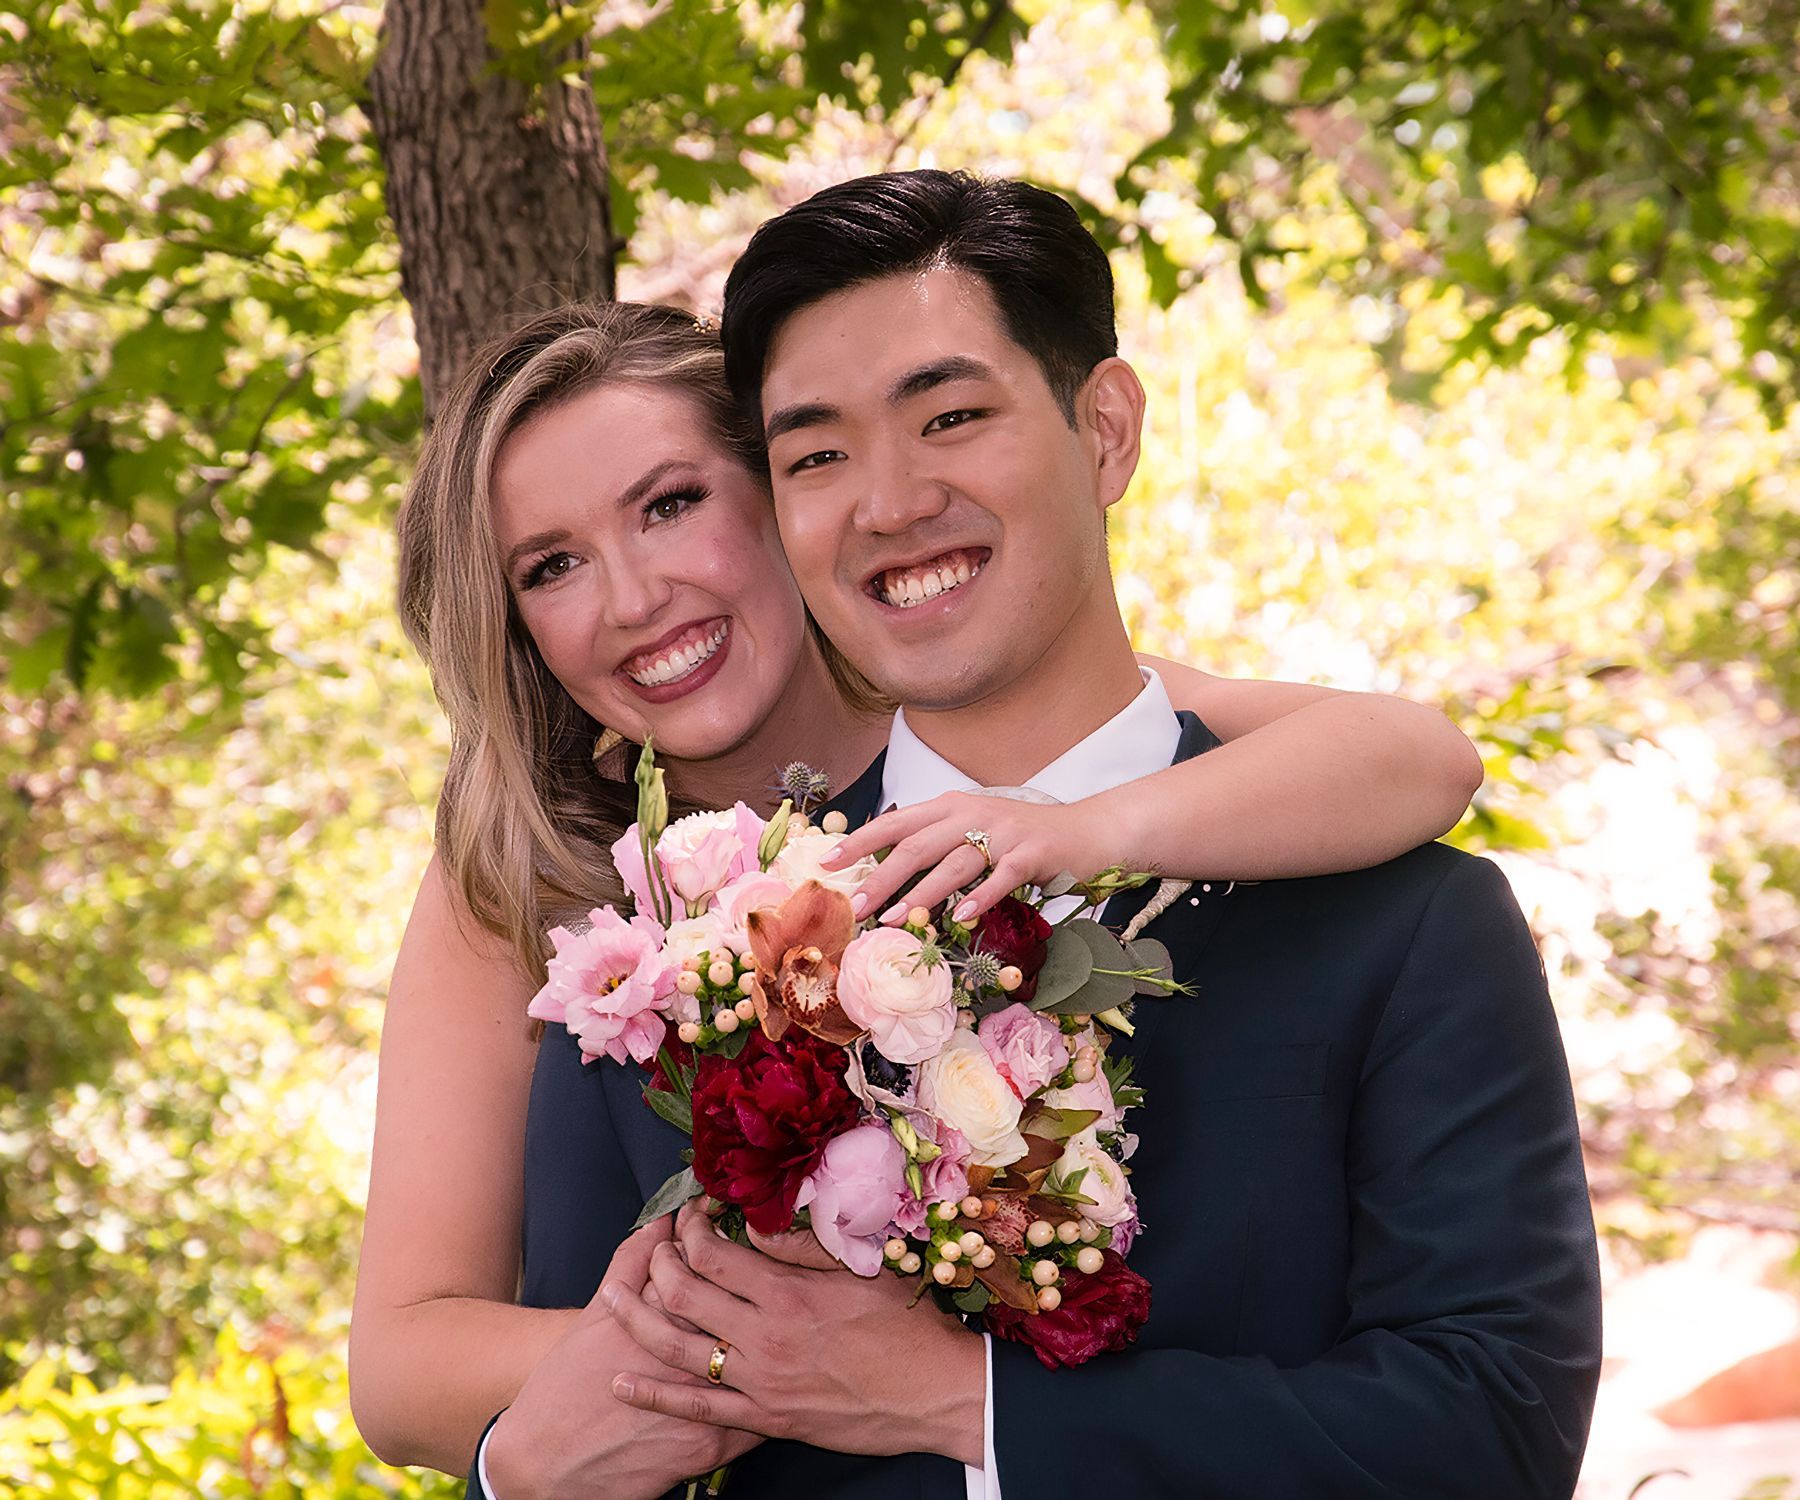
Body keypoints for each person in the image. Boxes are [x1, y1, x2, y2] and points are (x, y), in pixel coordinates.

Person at [476, 173, 1603, 1497]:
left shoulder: (1409, 926)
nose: (889, 503)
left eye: (950, 417)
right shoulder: (685, 965)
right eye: (816, 455)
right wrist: (514, 1477)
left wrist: (972, 1407)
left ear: (1106, 431)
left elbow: (1491, 1436)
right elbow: (596, 1441)